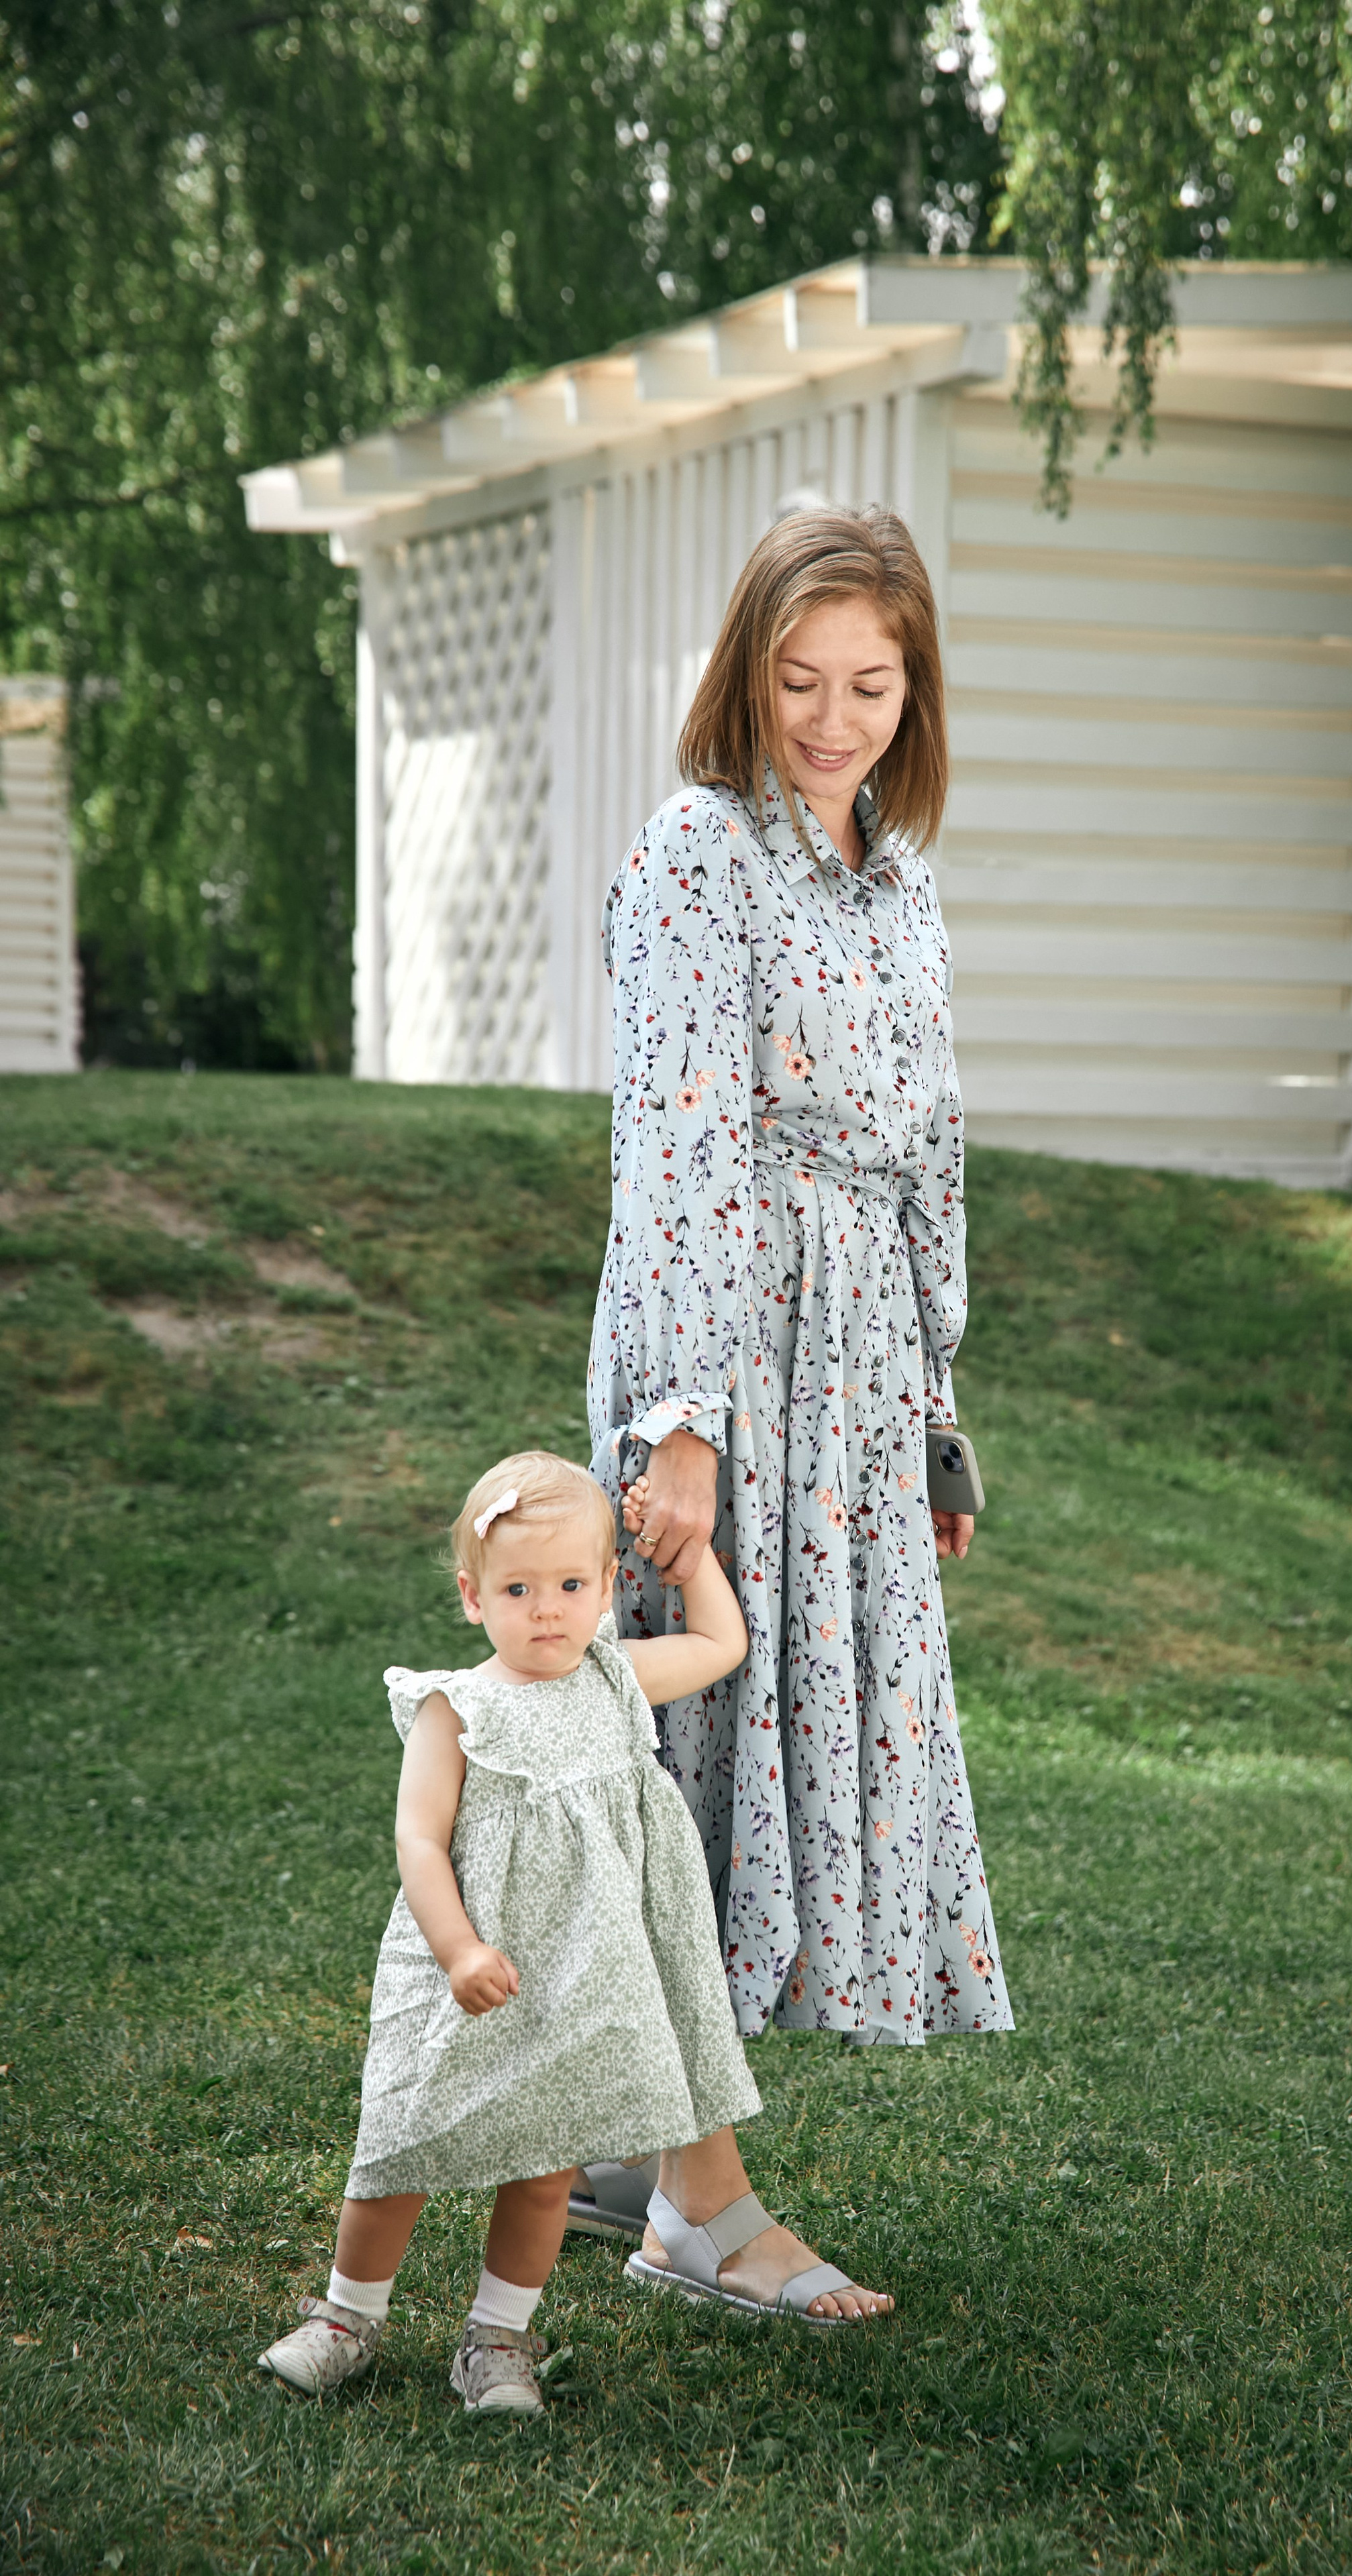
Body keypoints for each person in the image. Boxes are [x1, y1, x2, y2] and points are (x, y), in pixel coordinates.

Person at [586, 503, 1014, 2330]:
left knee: (778, 1750)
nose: (832, 720)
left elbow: (928, 1157)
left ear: (912, 693)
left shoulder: (900, 883)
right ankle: (703, 2211)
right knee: (697, 1744)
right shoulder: (701, 853)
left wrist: (933, 1414)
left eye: (870, 683)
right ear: (743, 675)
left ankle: (623, 2147)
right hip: (728, 1350)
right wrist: (681, 1423)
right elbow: (676, 1144)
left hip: (854, 1378)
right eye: (797, 679)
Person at [256, 1449, 772, 2414]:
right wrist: (457, 1947)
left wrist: (689, 1551)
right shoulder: (455, 1709)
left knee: (544, 2169)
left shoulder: (614, 1682)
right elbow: (418, 1838)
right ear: (472, 1595)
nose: (548, 1610)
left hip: (575, 1975)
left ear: (608, 1588)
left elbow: (720, 1643)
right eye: (520, 1588)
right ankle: (346, 2320)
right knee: (401, 2146)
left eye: (573, 1585)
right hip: (471, 1959)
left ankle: (498, 2341)